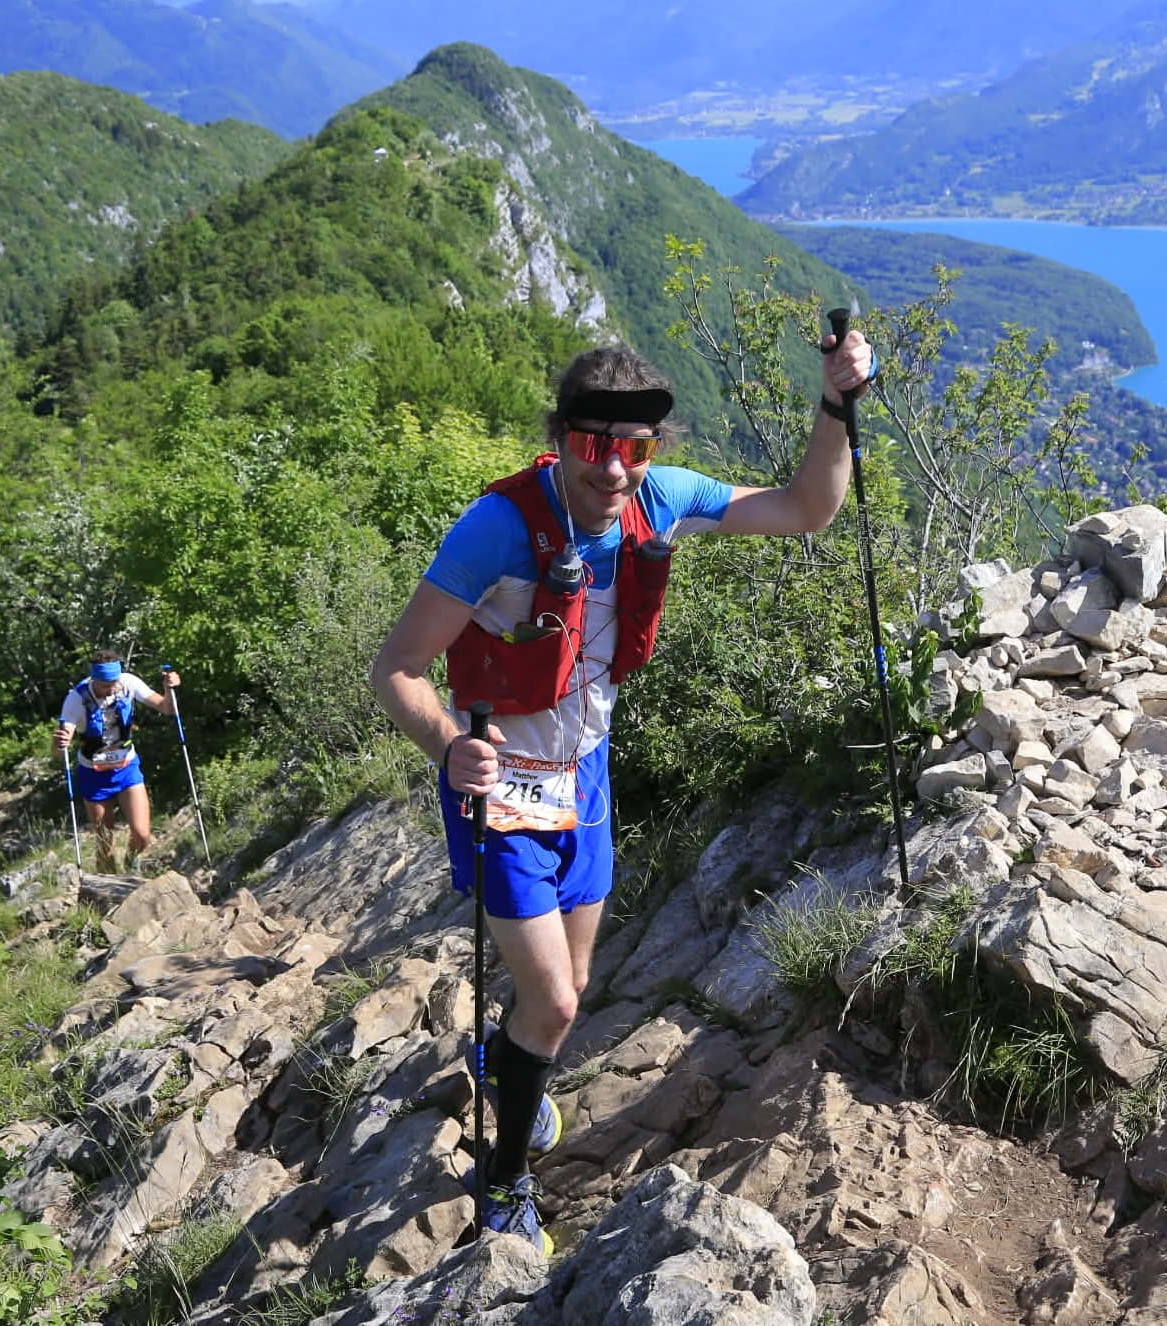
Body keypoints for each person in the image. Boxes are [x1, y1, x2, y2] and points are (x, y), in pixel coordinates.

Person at [368, 330, 874, 1250]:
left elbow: (807, 508)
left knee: (573, 985)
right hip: (500, 781)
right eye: (594, 445)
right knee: (557, 1005)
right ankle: (507, 1178)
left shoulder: (661, 503)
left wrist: (836, 404)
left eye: (634, 449)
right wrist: (447, 746)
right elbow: (399, 666)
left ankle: (508, 1062)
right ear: (561, 438)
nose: (613, 469)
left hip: (586, 775)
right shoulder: (498, 530)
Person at [54, 650, 182, 874]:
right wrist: (58, 743)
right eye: (105, 686)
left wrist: (169, 689)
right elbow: (60, 750)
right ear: (93, 679)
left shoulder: (128, 682)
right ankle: (106, 890)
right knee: (105, 843)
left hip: (126, 768)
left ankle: (131, 861)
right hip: (93, 773)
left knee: (142, 835)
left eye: (114, 683)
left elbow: (166, 708)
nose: (112, 689)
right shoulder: (76, 699)